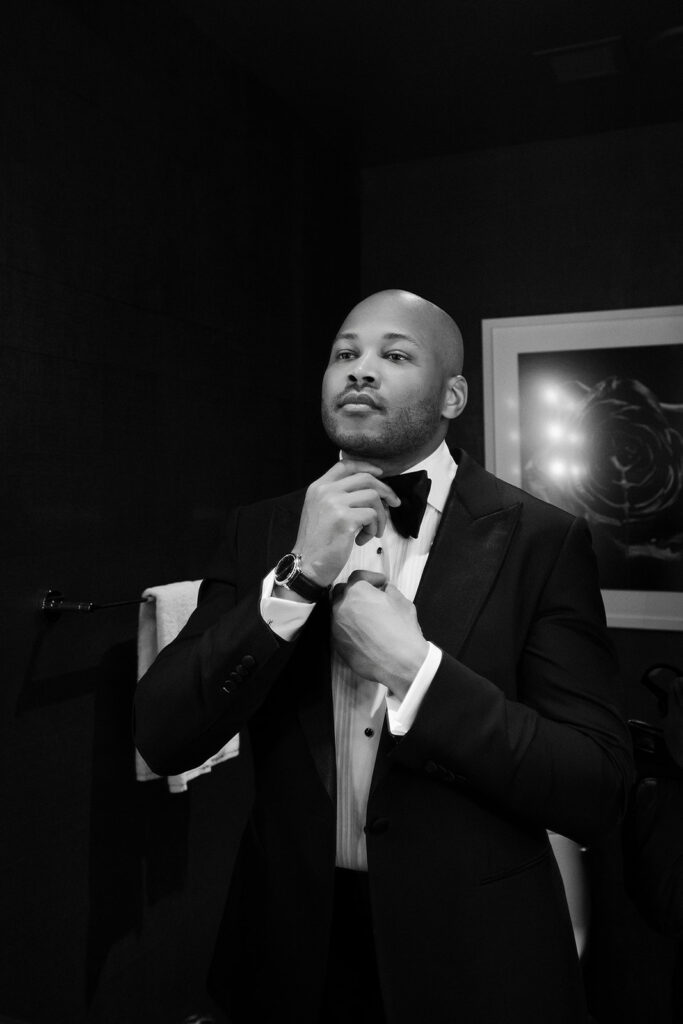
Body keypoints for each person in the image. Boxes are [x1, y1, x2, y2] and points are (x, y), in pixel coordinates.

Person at [134, 289, 633, 1024]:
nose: (360, 370)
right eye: (345, 354)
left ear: (452, 393)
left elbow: (595, 786)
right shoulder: (260, 528)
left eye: (394, 355)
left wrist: (417, 673)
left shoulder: (539, 540)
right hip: (286, 950)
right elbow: (165, 732)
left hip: (476, 956)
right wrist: (298, 576)